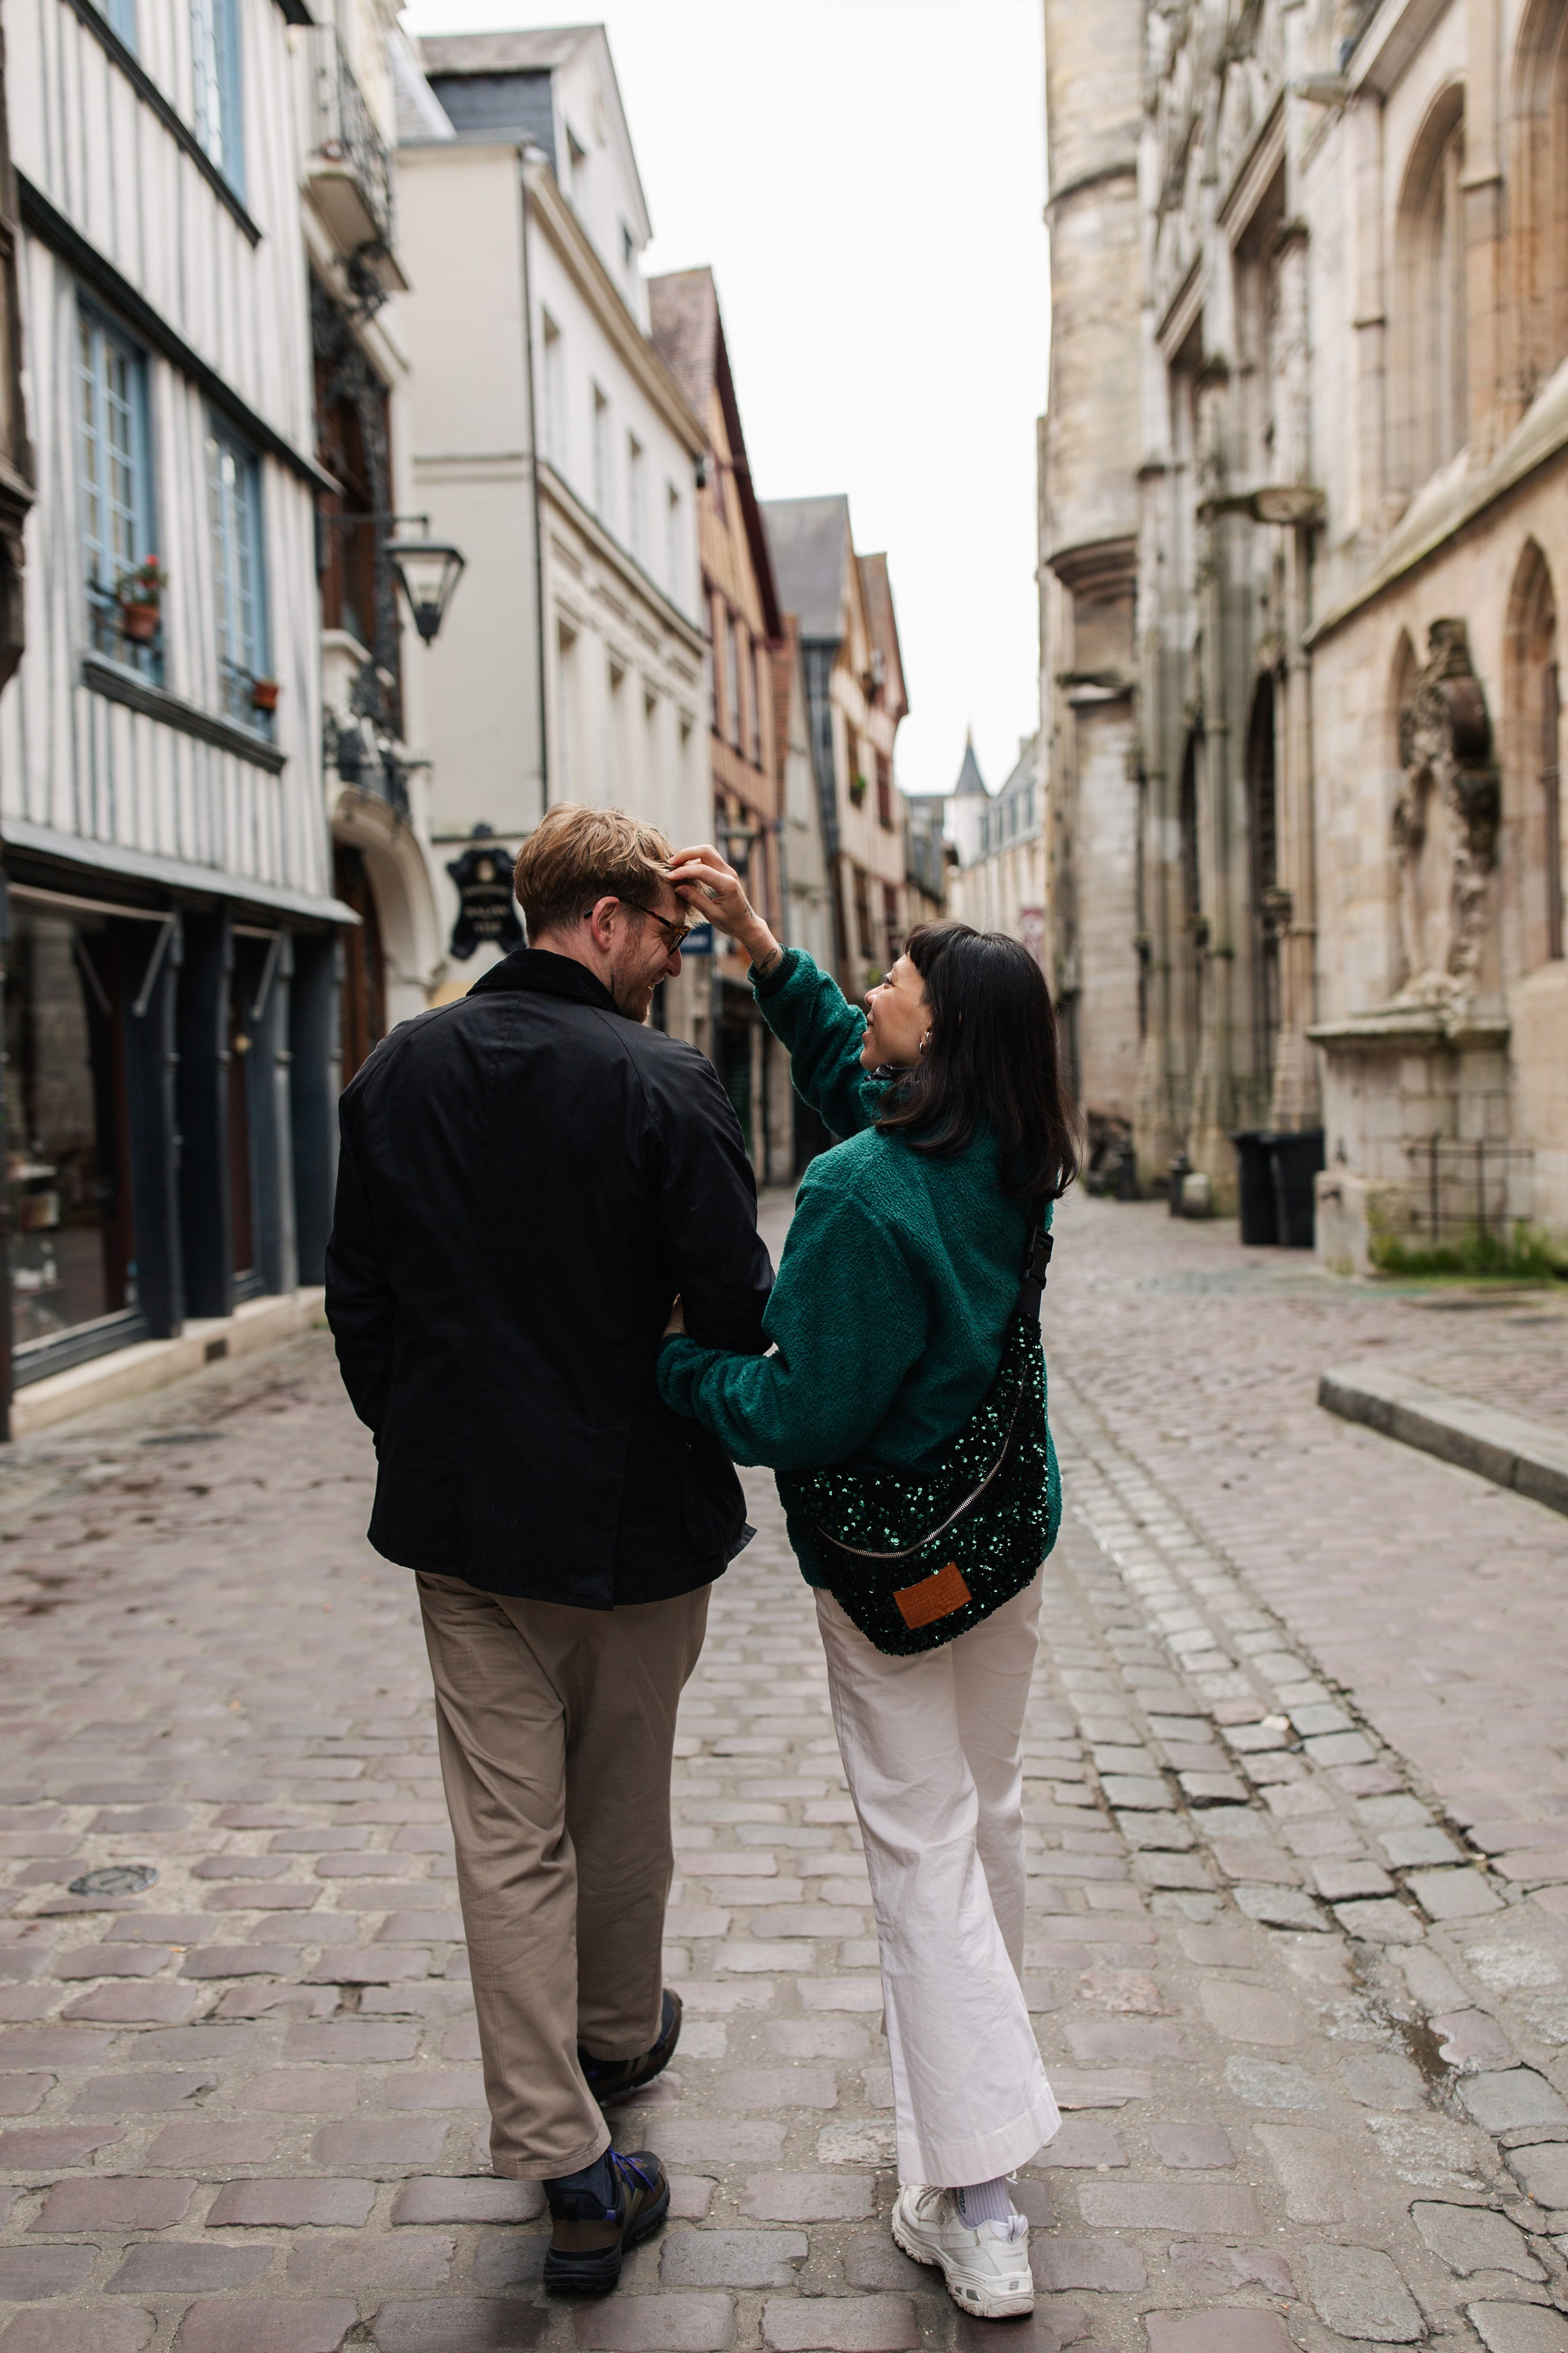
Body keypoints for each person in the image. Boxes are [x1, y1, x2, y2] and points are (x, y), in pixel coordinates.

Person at [325, 805, 772, 2294]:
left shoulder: (398, 1067)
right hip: (637, 1522)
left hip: (463, 1527)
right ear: (599, 919)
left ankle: (564, 2154)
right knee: (620, 1802)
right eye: (659, 925)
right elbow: (733, 1309)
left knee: (507, 1838)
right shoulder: (666, 1082)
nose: (667, 949)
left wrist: (423, 1433)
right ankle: (612, 2033)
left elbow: (362, 1301)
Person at [657, 844, 1078, 2322]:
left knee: (919, 1848)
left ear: (942, 1034)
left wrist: (677, 1364)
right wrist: (765, 949)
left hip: (892, 1573)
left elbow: (803, 1412)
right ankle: (998, 2078)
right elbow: (857, 1072)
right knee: (990, 1807)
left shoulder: (853, 1189)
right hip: (1001, 1540)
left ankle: (976, 2192)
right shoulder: (1006, 1156)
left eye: (897, 975)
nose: (878, 984)